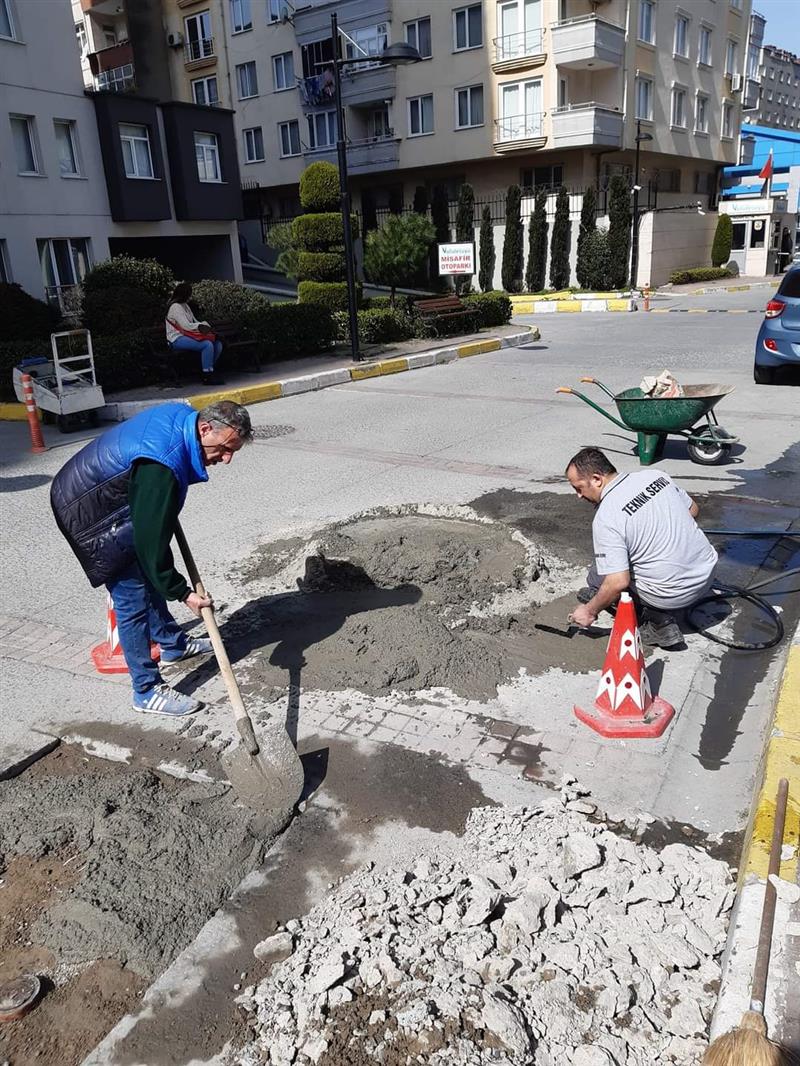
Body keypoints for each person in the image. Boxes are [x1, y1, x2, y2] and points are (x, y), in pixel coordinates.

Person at [51, 400, 252, 716]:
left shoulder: (185, 422)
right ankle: (145, 690)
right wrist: (183, 593)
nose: (226, 459)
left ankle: (173, 643)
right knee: (132, 597)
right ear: (204, 429)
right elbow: (150, 547)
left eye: (233, 452)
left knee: (150, 570)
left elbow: (154, 531)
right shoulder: (162, 467)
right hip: (88, 510)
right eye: (226, 448)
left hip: (112, 492)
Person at [565, 447, 718, 649]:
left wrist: (589, 611)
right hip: (707, 575)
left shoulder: (607, 516)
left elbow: (618, 582)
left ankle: (657, 621)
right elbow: (693, 510)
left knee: (598, 576)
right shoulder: (655, 476)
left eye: (579, 488)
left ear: (596, 479)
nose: (578, 495)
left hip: (673, 595)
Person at [166, 282, 224, 386]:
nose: (190, 296)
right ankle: (207, 376)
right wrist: (200, 326)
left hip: (187, 335)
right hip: (176, 339)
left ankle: (208, 369)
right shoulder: (175, 307)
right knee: (207, 345)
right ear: (184, 294)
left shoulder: (185, 306)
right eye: (189, 294)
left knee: (217, 345)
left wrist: (205, 326)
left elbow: (193, 321)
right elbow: (186, 326)